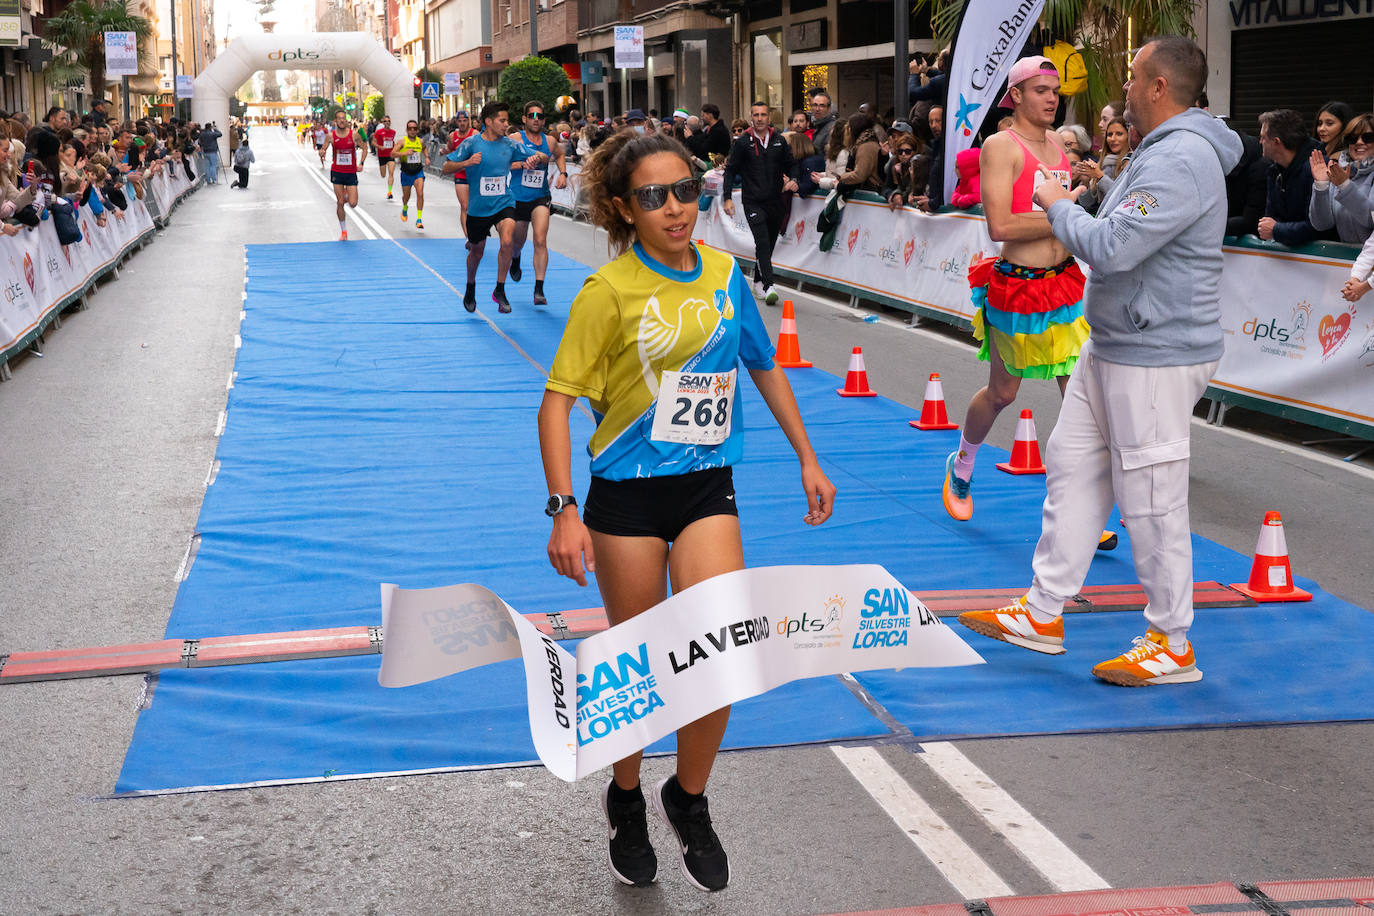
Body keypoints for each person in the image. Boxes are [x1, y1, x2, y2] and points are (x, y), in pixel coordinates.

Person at [537, 129, 835, 893]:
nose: (676, 208)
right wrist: (564, 509)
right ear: (621, 208)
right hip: (627, 495)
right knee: (639, 670)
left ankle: (688, 797)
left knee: (720, 652)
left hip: (707, 484)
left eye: (686, 191)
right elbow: (557, 404)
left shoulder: (726, 274)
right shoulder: (608, 292)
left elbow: (762, 366)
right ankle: (627, 797)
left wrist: (807, 455)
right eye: (653, 196)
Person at [958, 35, 1242, 686]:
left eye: (1134, 78)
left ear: (1160, 87)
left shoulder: (1183, 159)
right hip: (1114, 338)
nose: (1124, 90)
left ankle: (1171, 641)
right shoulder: (1163, 151)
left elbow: (1113, 247)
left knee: (1150, 493)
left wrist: (1056, 203)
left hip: (1155, 348)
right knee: (1072, 463)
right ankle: (1042, 609)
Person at [941, 57, 1091, 526]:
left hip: (1064, 285)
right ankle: (962, 464)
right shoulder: (1000, 146)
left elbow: (1058, 216)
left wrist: (1071, 214)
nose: (1052, 98)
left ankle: (1081, 504)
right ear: (1017, 95)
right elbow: (1000, 224)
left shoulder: (1057, 146)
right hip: (1018, 291)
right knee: (1003, 393)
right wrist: (1064, 212)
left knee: (1081, 396)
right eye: (1042, 90)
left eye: (1056, 90)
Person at [442, 100, 541, 313]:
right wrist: (466, 163)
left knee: (507, 241)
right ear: (488, 121)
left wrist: (536, 158)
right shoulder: (471, 144)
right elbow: (446, 167)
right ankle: (470, 285)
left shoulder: (510, 145)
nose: (506, 124)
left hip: (504, 202)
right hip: (479, 208)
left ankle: (500, 289)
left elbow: (537, 154)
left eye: (507, 120)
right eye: (502, 120)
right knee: (477, 251)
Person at [722, 101, 799, 306]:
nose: (759, 118)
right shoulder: (742, 142)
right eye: (755, 115)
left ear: (769, 117)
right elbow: (730, 170)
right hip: (752, 201)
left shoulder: (779, 141)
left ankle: (757, 281)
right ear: (751, 117)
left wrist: (794, 180)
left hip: (775, 201)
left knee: (769, 245)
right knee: (762, 242)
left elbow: (792, 165)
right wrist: (727, 197)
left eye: (763, 114)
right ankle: (769, 285)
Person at [508, 100, 568, 305]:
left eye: (540, 117)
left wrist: (563, 173)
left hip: (540, 197)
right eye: (532, 116)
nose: (536, 120)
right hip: (518, 198)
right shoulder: (515, 138)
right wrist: (520, 164)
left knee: (540, 240)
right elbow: (502, 161)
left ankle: (539, 289)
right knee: (518, 241)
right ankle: (515, 258)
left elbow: (560, 154)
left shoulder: (549, 141)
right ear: (524, 119)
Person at [1258, 108, 1330, 246]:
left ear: (1276, 142)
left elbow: (1319, 226)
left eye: (1263, 137)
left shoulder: (1317, 170)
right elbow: (1269, 221)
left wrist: (1277, 230)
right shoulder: (1274, 172)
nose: (1260, 142)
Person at [1309, 113, 1374, 245]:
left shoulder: (1342, 179)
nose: (1359, 142)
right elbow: (1322, 224)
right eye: (1352, 138)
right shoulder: (1339, 171)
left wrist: (1345, 186)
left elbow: (1371, 219)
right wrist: (1321, 186)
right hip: (1347, 261)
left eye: (1368, 137)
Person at [325, 110, 365, 240]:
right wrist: (321, 151)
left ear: (347, 121)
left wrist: (361, 163)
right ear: (335, 121)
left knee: (353, 203)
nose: (342, 121)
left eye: (344, 118)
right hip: (337, 172)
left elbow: (365, 147)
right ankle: (344, 232)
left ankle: (347, 192)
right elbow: (324, 147)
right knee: (340, 202)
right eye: (339, 118)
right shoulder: (330, 136)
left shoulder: (354, 135)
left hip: (351, 172)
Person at [393, 119, 427, 229]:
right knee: (406, 196)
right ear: (407, 130)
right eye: (410, 128)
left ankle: (419, 219)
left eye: (415, 128)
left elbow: (425, 148)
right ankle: (405, 206)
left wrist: (426, 157)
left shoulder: (420, 141)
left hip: (418, 171)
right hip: (406, 172)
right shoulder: (402, 141)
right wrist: (404, 153)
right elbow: (392, 153)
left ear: (417, 130)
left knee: (420, 193)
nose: (412, 131)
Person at [448, 110, 478, 234]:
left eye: (464, 121)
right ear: (456, 122)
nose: (462, 123)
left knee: (475, 207)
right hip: (460, 175)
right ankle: (468, 236)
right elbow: (450, 150)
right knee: (465, 206)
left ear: (468, 121)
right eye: (459, 121)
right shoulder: (452, 136)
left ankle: (477, 231)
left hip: (475, 175)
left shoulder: (475, 134)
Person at [372, 116, 397, 199]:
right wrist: (379, 147)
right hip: (382, 155)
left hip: (390, 155)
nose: (387, 122)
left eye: (388, 121)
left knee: (391, 173)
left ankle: (389, 192)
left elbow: (392, 142)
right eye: (385, 121)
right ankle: (389, 191)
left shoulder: (393, 132)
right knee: (383, 175)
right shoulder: (379, 132)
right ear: (383, 123)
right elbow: (373, 142)